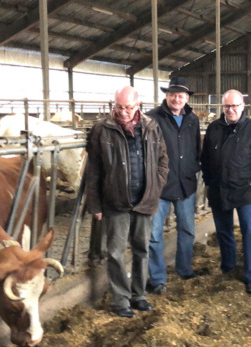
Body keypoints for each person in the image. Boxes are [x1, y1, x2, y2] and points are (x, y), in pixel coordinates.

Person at [86, 86, 169, 318]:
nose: (123, 112)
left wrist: (156, 184)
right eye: (119, 107)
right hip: (115, 202)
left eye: (128, 107)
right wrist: (95, 204)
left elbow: (163, 159)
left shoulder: (151, 127)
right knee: (115, 252)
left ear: (137, 106)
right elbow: (93, 169)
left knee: (142, 249)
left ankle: (138, 295)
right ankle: (120, 299)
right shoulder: (102, 129)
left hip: (144, 200)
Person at [201, 89, 251, 294]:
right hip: (219, 188)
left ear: (243, 106)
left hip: (246, 189)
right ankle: (228, 267)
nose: (230, 110)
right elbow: (205, 159)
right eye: (227, 106)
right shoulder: (214, 128)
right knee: (223, 230)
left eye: (234, 106)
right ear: (222, 107)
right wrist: (209, 182)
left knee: (249, 230)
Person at [145, 77, 201, 294]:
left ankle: (184, 269)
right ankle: (158, 278)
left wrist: (192, 168)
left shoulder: (192, 119)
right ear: (166, 96)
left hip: (186, 183)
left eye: (181, 96)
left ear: (186, 98)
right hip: (160, 186)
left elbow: (196, 147)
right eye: (172, 95)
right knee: (154, 234)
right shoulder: (152, 118)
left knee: (187, 229)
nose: (176, 99)